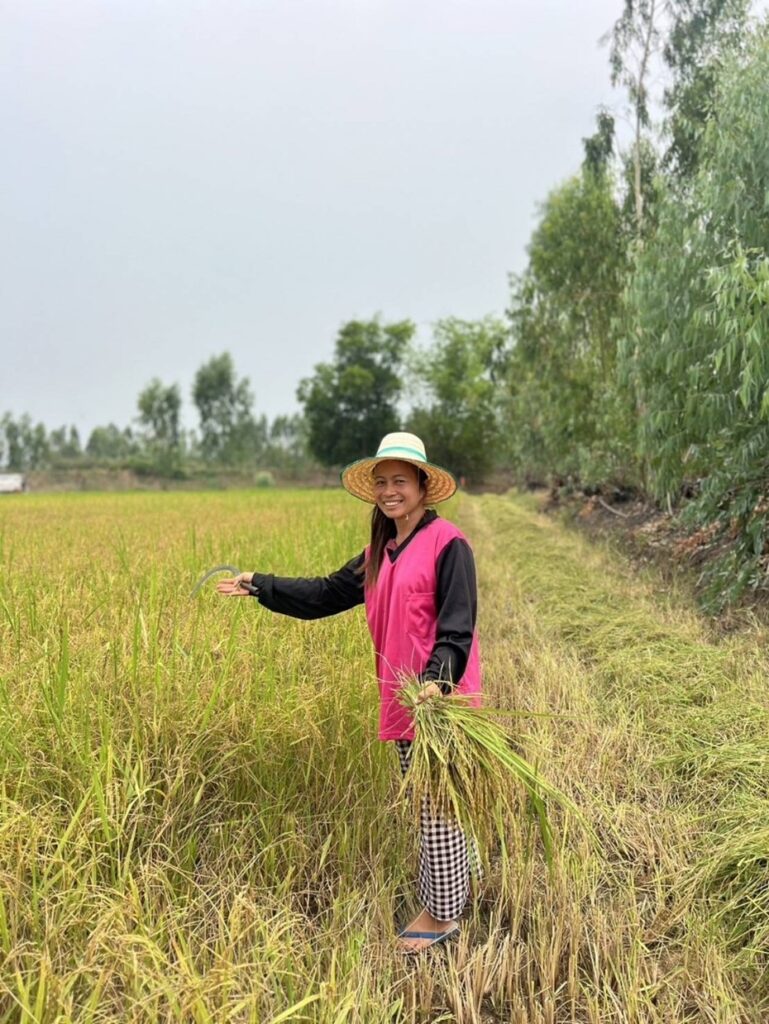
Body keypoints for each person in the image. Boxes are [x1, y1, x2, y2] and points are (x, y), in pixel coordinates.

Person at [216, 432, 482, 953]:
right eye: (381, 483)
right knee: (440, 800)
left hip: (437, 704)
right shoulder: (377, 555)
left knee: (433, 804)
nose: (389, 491)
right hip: (403, 700)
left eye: (399, 481)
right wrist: (260, 584)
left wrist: (435, 683)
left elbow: (457, 629)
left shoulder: (449, 544)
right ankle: (464, 877)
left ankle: (443, 914)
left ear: (424, 487)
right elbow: (322, 595)